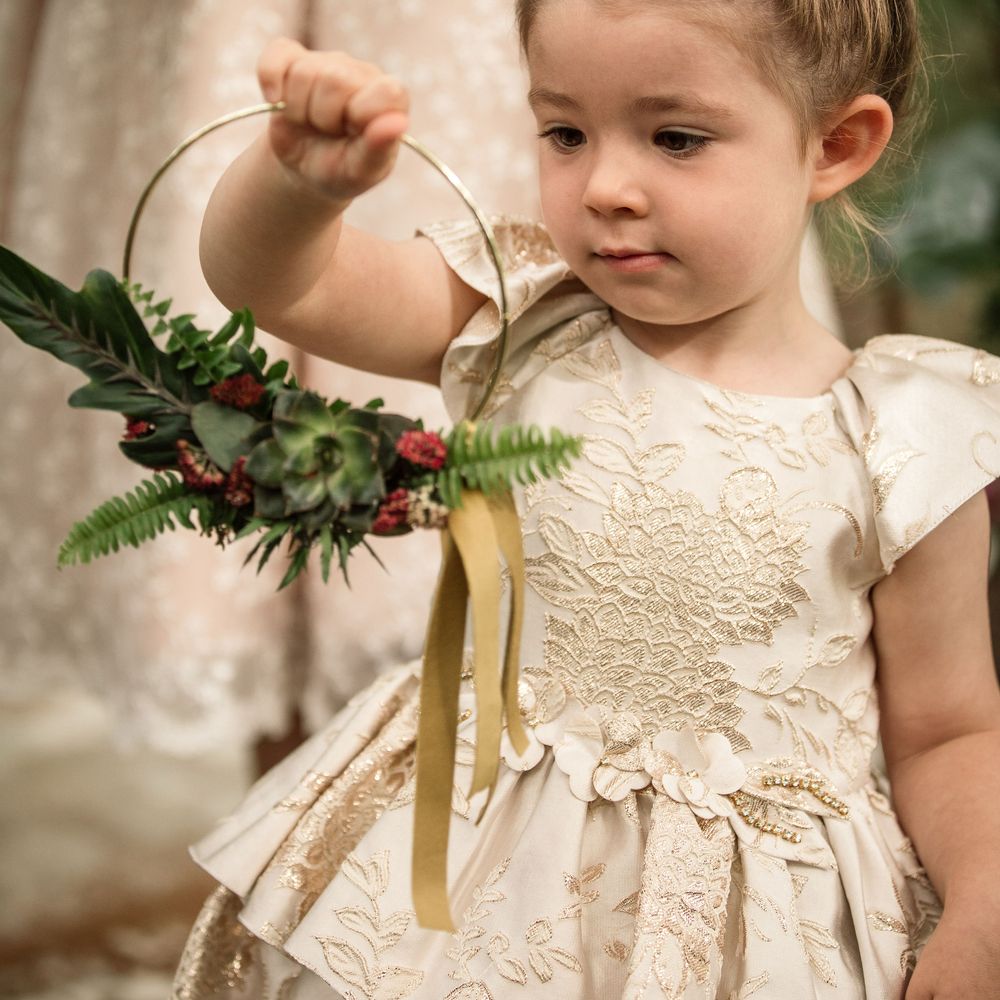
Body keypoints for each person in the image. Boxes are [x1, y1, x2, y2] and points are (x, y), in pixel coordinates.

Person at [171, 1, 1000, 997]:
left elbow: (949, 729)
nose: (603, 186)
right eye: (564, 132)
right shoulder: (523, 313)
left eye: (674, 138)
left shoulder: (895, 437)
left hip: (747, 927)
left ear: (833, 145)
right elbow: (279, 287)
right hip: (478, 867)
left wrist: (984, 902)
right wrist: (293, 188)